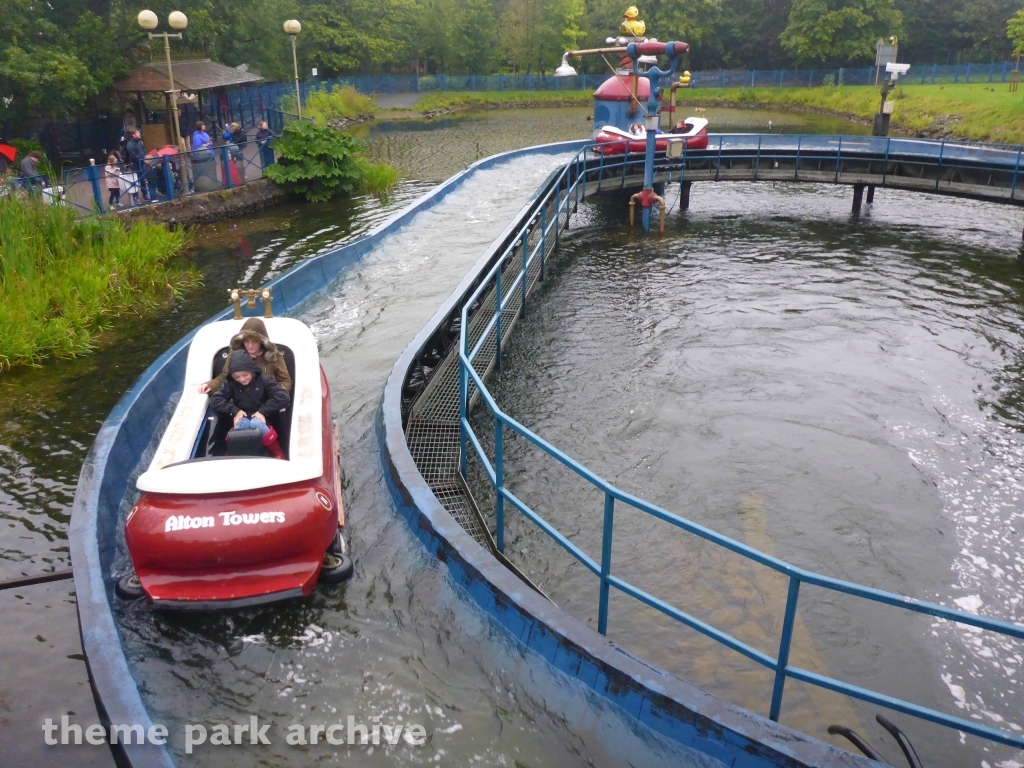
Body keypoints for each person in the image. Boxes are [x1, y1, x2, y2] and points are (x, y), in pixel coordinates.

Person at [209, 350, 289, 459]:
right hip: (242, 415)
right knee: (241, 425)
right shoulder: (230, 383)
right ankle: (232, 450)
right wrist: (235, 410)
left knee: (256, 423)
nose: (241, 379)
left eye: (245, 375)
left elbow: (283, 396)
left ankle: (277, 452)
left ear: (251, 371)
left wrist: (263, 411)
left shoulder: (264, 380)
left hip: (263, 415)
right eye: (237, 377)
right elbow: (215, 400)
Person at [199, 317, 292, 394]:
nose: (250, 345)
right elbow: (225, 376)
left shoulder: (274, 356)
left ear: (261, 342)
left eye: (255, 342)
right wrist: (211, 385)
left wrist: (275, 393)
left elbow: (286, 381)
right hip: (240, 400)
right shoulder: (235, 355)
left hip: (266, 401)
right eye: (247, 341)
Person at [125, 130, 151, 200]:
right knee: (135, 180)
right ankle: (135, 196)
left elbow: (143, 151)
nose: (139, 134)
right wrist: (140, 159)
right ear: (133, 135)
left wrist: (145, 157)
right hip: (135, 164)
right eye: (137, 133)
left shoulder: (139, 143)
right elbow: (132, 155)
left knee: (143, 179)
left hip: (142, 163)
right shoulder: (130, 144)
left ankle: (145, 194)